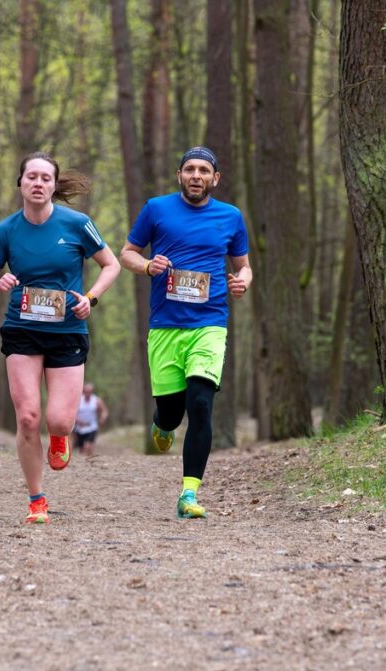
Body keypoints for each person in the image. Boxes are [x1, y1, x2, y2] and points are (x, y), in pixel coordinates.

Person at [0, 151, 121, 524]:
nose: (38, 183)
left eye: (45, 178)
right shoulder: (6, 230)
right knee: (27, 417)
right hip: (21, 329)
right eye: (31, 177)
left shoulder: (77, 224)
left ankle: (60, 437)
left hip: (67, 330)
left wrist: (91, 299)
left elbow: (111, 264)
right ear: (20, 183)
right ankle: (36, 500)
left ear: (54, 186)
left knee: (57, 421)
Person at [119, 146, 252, 519]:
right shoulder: (156, 209)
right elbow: (126, 253)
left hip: (210, 323)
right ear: (179, 175)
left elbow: (244, 267)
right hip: (165, 326)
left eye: (204, 170)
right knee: (173, 413)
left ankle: (188, 494)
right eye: (190, 169)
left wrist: (242, 282)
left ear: (215, 178)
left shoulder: (231, 216)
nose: (197, 175)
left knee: (200, 403)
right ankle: (162, 424)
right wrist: (147, 265)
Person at [73, 383, 109, 460]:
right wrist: (77, 421)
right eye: (86, 392)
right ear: (83, 391)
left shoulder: (96, 400)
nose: (87, 394)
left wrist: (102, 418)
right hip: (79, 427)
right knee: (81, 449)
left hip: (91, 427)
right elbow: (72, 412)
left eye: (89, 392)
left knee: (88, 446)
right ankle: (83, 463)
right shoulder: (78, 400)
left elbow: (104, 411)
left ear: (92, 392)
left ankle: (90, 461)